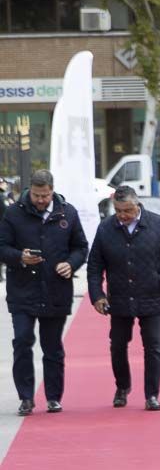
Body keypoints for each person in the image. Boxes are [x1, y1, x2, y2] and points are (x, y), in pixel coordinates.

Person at [0, 170, 88, 415]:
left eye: (45, 195)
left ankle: (53, 397)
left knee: (52, 347)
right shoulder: (14, 213)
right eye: (37, 195)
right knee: (22, 341)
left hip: (55, 289)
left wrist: (71, 263)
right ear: (30, 191)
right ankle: (26, 397)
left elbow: (81, 247)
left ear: (52, 190)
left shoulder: (67, 213)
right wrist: (19, 257)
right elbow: (2, 246)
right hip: (22, 291)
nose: (41, 200)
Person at [87, 185, 160, 411]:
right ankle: (122, 386)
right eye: (118, 211)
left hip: (153, 296)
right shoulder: (106, 228)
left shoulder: (157, 224)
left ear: (137, 205)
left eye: (127, 211)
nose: (122, 216)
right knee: (118, 345)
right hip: (119, 298)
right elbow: (94, 266)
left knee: (153, 347)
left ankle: (151, 394)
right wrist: (97, 295)